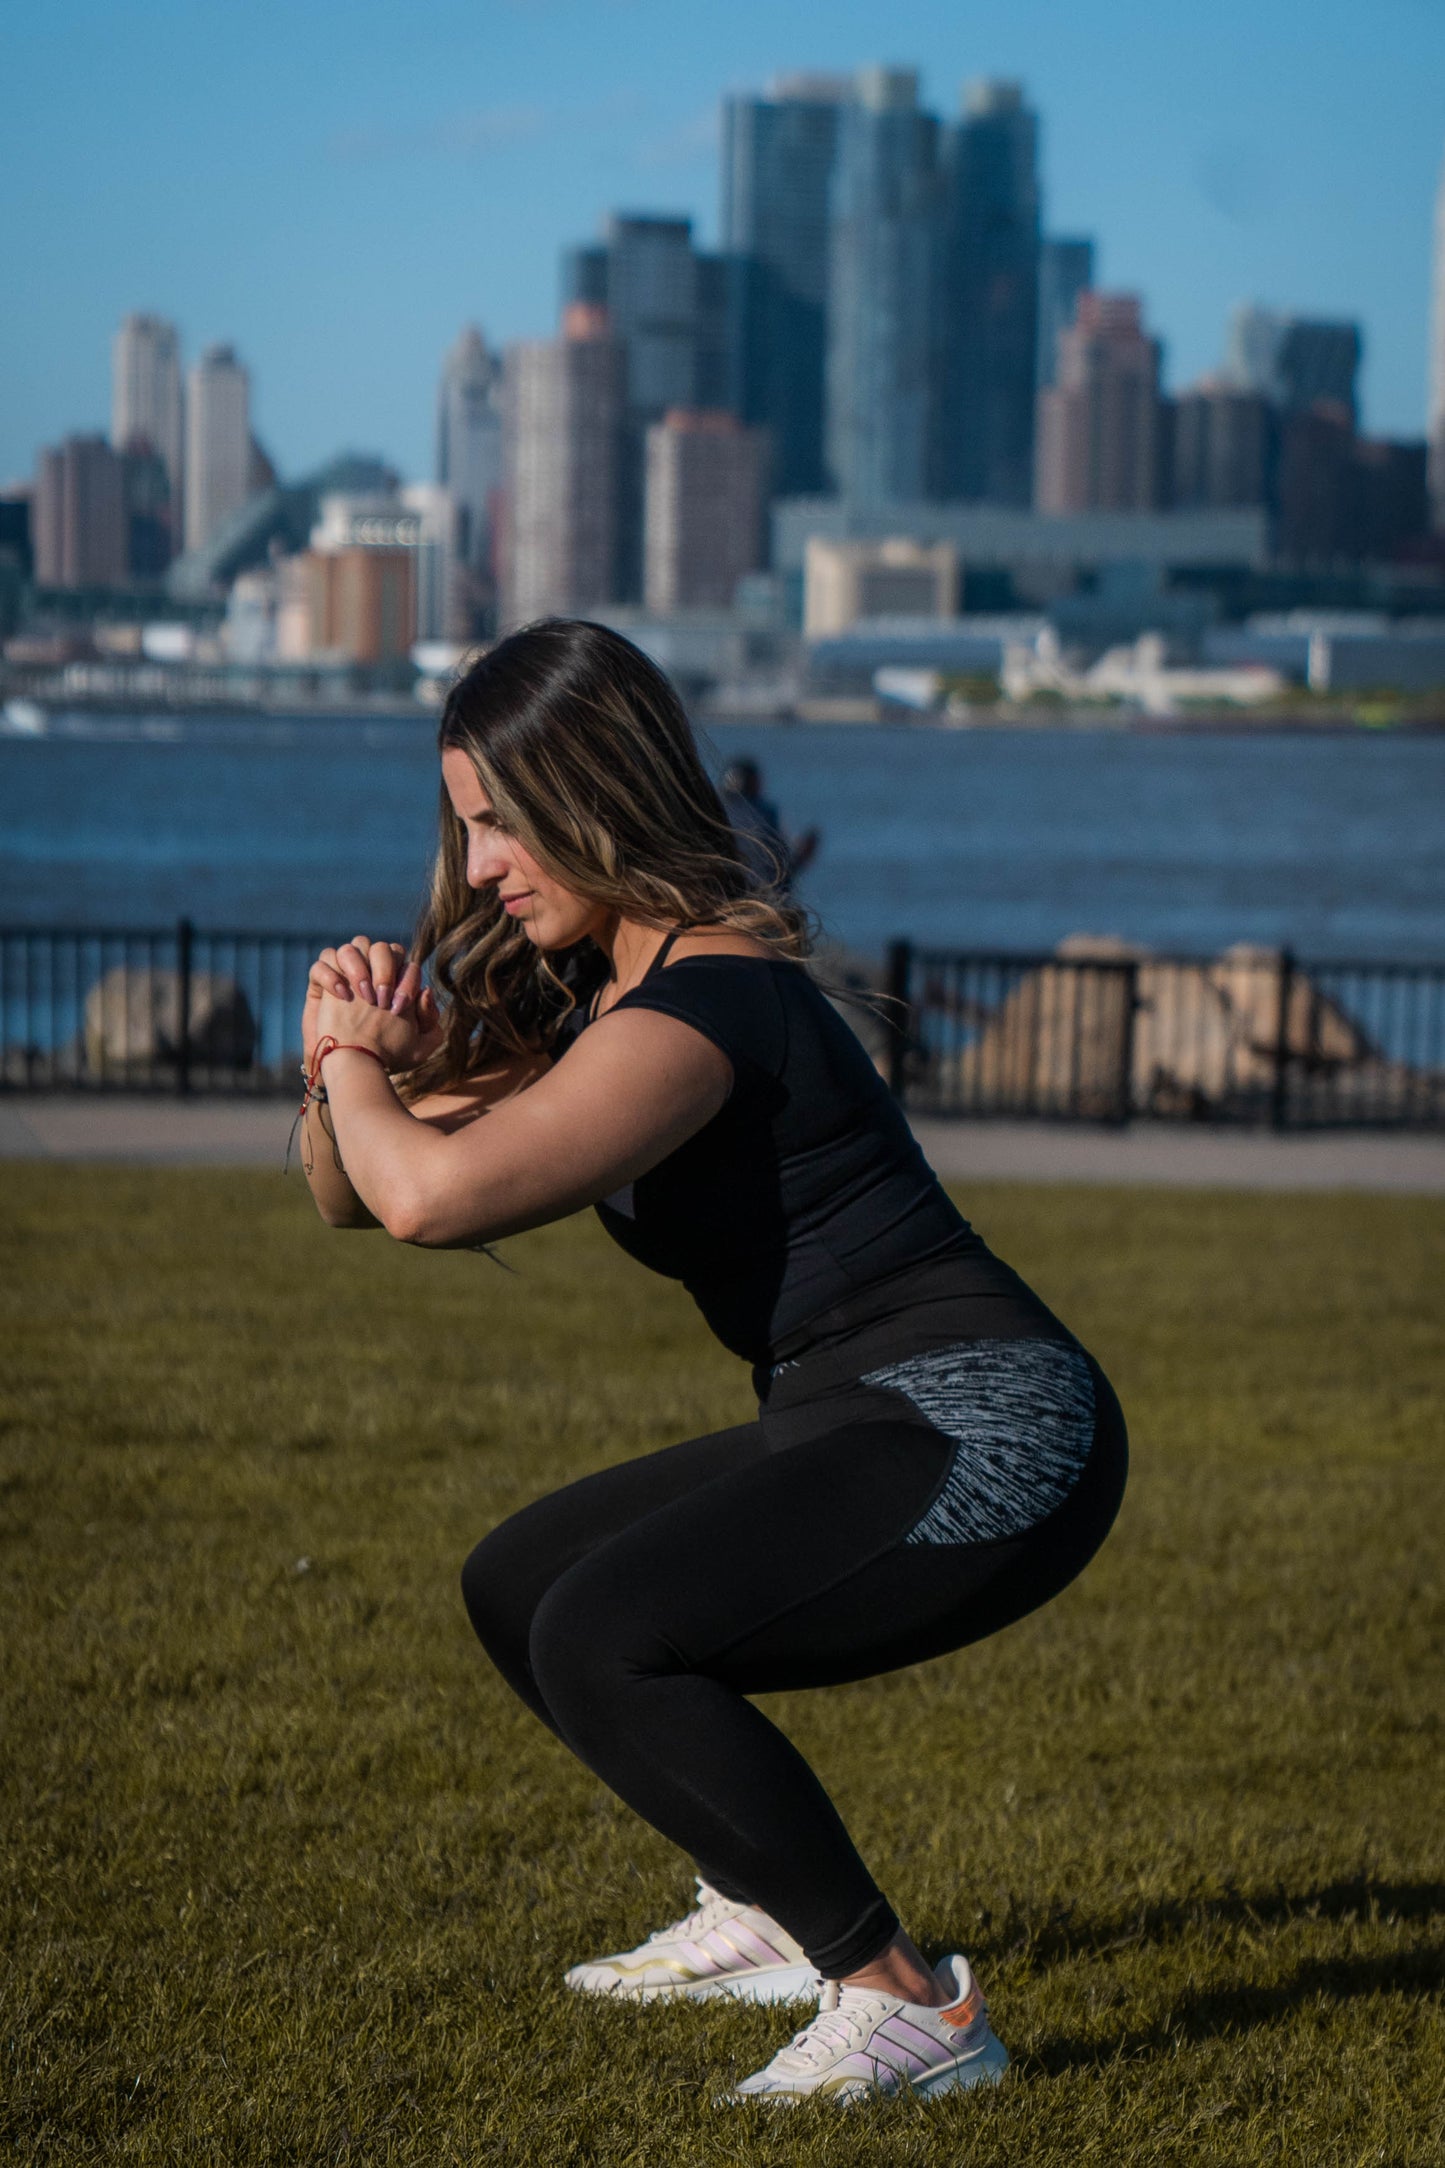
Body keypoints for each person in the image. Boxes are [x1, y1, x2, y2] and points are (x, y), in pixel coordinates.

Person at [297, 618, 1127, 2106]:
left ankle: (908, 2007)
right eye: (466, 828)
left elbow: (424, 1198)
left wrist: (361, 1062)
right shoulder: (602, 1003)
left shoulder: (712, 1002)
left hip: (986, 1416)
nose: (479, 866)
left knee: (600, 1630)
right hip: (844, 1408)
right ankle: (759, 1906)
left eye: (499, 823)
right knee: (519, 1582)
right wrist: (353, 1056)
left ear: (591, 788)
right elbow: (343, 1189)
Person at [719, 756, 819, 894]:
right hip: (766, 901)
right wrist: (804, 852)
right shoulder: (766, 813)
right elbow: (781, 869)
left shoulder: (717, 811)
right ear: (755, 782)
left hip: (725, 897)